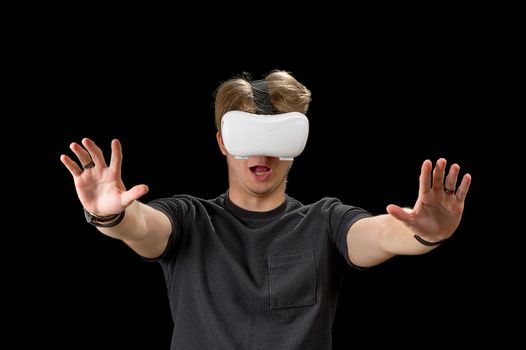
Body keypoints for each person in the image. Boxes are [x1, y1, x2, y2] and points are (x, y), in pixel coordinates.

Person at [60, 70, 471, 350]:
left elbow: (379, 235)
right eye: (248, 134)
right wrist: (110, 216)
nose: (263, 152)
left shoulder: (325, 223)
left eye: (279, 136)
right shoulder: (189, 220)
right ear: (223, 142)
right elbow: (144, 227)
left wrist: (426, 232)